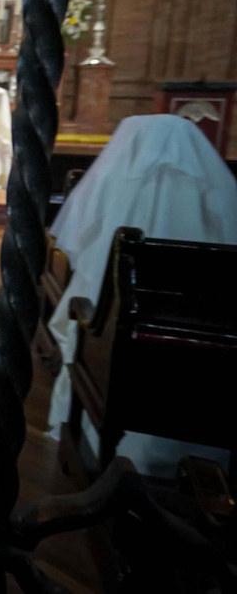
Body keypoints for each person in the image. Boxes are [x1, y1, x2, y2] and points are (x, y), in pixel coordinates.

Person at [45, 114, 237, 474]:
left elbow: (73, 242)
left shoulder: (109, 182)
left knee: (92, 308)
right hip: (202, 342)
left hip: (116, 334)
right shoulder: (218, 189)